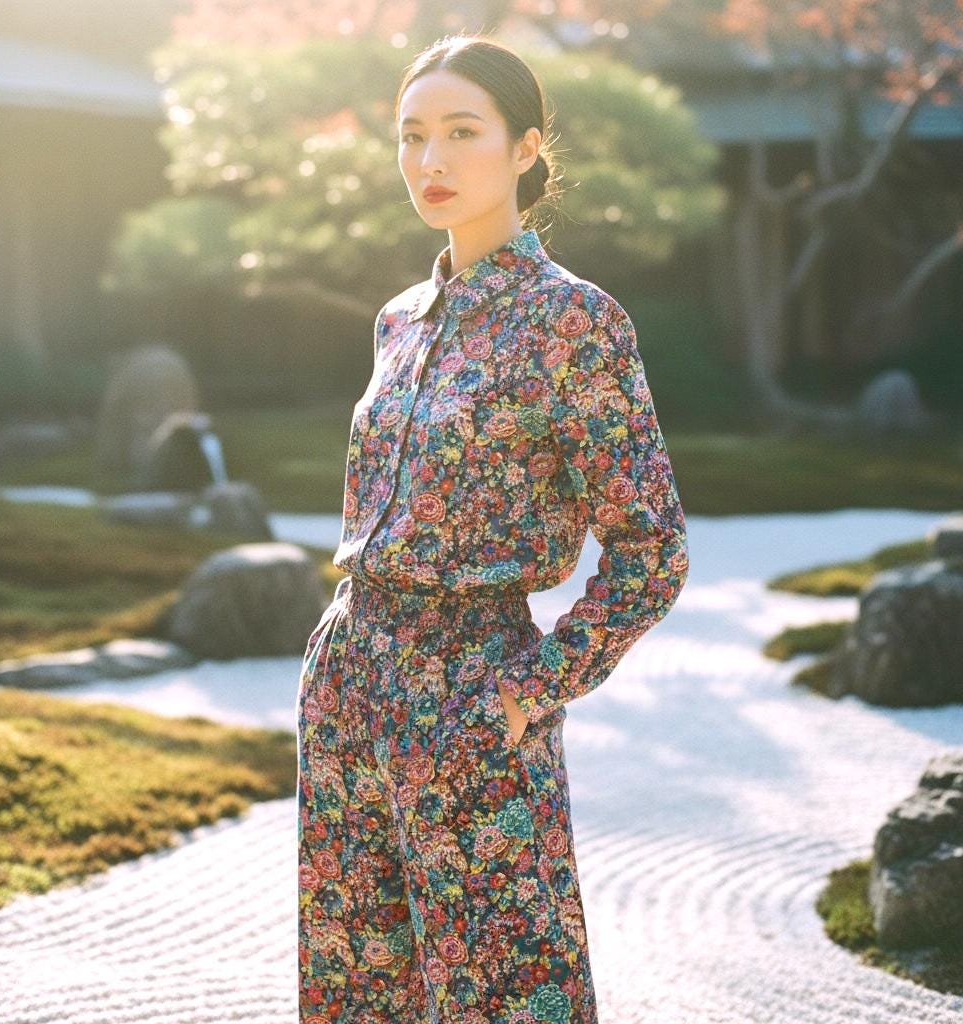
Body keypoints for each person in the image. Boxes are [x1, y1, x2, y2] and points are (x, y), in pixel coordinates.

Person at [297, 32, 690, 1024]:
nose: (430, 161)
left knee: (504, 988)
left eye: (460, 132)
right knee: (358, 978)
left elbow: (652, 547)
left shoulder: (574, 321)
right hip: (350, 669)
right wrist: (337, 659)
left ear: (523, 147)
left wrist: (532, 684)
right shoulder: (399, 318)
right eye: (411, 135)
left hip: (471, 676)